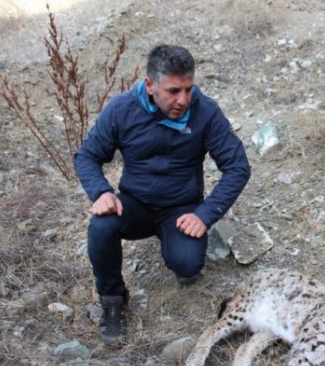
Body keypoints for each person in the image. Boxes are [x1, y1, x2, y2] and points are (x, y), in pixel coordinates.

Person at [74, 44, 251, 345]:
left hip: (181, 209)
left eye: (188, 89)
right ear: (150, 85)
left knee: (187, 265)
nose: (182, 100)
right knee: (101, 225)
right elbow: (86, 156)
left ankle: (175, 246)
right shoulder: (122, 109)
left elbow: (238, 167)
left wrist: (204, 215)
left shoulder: (205, 112)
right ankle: (113, 301)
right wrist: (101, 192)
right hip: (135, 203)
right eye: (172, 91)